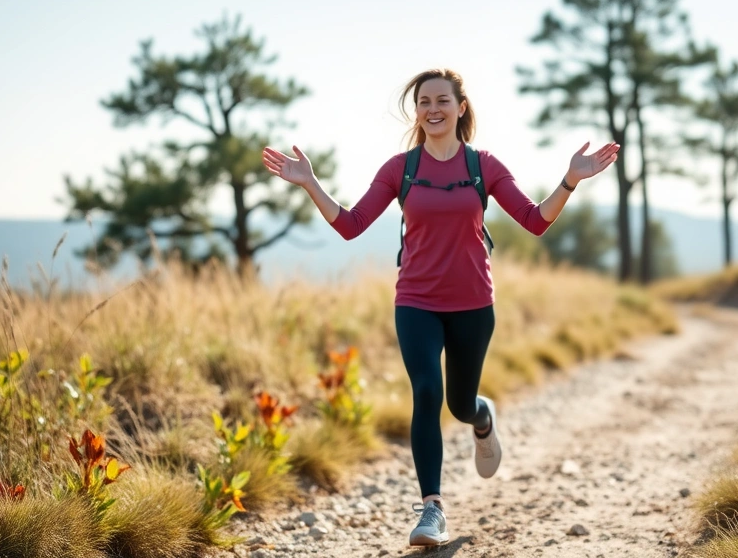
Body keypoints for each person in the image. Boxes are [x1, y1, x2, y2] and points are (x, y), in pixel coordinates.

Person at [261, 68, 619, 547]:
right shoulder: (400, 169)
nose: (433, 109)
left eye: (442, 101)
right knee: (427, 391)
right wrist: (310, 183)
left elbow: (535, 222)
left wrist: (570, 180)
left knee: (459, 402)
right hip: (416, 301)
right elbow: (350, 225)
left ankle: (481, 416)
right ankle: (431, 509)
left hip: (473, 303)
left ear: (460, 107)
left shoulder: (483, 166)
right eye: (424, 101)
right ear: (418, 111)